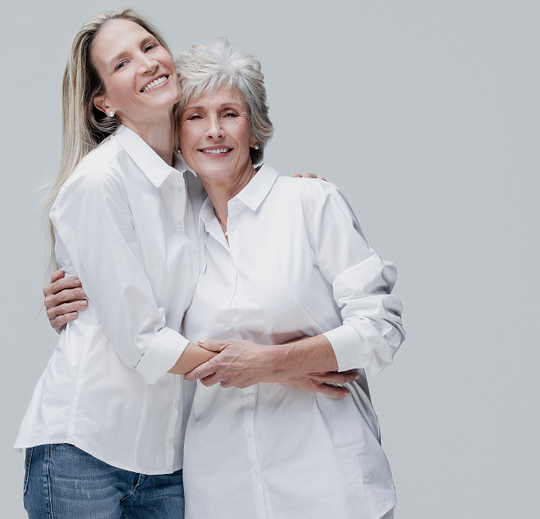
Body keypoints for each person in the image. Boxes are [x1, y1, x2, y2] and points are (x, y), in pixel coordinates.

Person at [16, 9, 350, 519]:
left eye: (150, 47)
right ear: (102, 101)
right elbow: (141, 341)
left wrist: (289, 194)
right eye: (122, 62)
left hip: (166, 458)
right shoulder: (99, 183)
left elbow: (239, 223)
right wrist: (277, 369)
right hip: (85, 448)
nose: (147, 63)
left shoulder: (193, 183)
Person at [173, 38, 404, 519]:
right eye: (195, 116)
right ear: (177, 138)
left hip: (327, 485)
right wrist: (68, 294)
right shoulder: (173, 232)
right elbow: (136, 324)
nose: (213, 131)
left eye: (229, 114)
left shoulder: (310, 204)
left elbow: (380, 329)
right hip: (221, 490)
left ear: (256, 130)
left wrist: (271, 363)